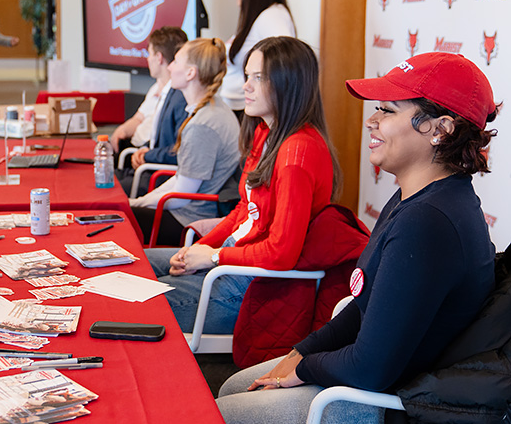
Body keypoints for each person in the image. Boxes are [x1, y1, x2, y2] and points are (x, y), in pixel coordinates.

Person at [215, 52, 497, 424]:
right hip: (371, 382)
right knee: (230, 388)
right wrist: (303, 351)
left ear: (440, 130)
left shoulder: (429, 223)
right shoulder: (416, 196)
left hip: (382, 402)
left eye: (388, 111)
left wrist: (302, 370)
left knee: (216, 411)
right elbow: (366, 308)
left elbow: (370, 368)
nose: (371, 121)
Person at [145, 36, 339, 334]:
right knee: (132, 264)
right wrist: (199, 250)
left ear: (289, 83)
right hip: (233, 262)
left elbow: (281, 253)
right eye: (247, 76)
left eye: (258, 78)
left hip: (250, 285)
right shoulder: (265, 132)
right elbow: (244, 213)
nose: (246, 85)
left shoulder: (297, 152)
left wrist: (212, 255)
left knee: (133, 300)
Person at [130, 37, 241, 246]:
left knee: (116, 218)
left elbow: (182, 195)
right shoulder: (208, 110)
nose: (170, 67)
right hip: (187, 212)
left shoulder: (203, 124)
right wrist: (138, 203)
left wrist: (136, 204)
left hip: (187, 221)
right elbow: (183, 178)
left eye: (177, 61)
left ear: (191, 73)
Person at [219, 0, 295, 116]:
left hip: (247, 111)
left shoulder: (272, 16)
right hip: (239, 107)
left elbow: (286, 60)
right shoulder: (259, 17)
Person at [110, 26, 188, 158]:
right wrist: (121, 131)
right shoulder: (155, 88)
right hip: (135, 146)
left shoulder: (178, 95)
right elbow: (138, 118)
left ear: (158, 57)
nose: (147, 59)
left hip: (147, 152)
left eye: (149, 54)